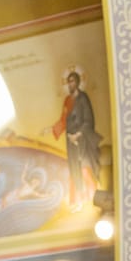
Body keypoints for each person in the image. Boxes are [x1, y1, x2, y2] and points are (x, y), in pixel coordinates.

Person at [46, 70, 101, 211]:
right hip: (71, 142)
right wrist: (51, 129)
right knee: (74, 170)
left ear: (77, 82)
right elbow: (64, 120)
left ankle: (95, 197)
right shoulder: (67, 101)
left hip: (83, 140)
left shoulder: (83, 98)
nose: (70, 84)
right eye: (68, 82)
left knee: (84, 168)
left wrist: (78, 134)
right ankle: (78, 201)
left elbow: (89, 120)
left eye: (72, 81)